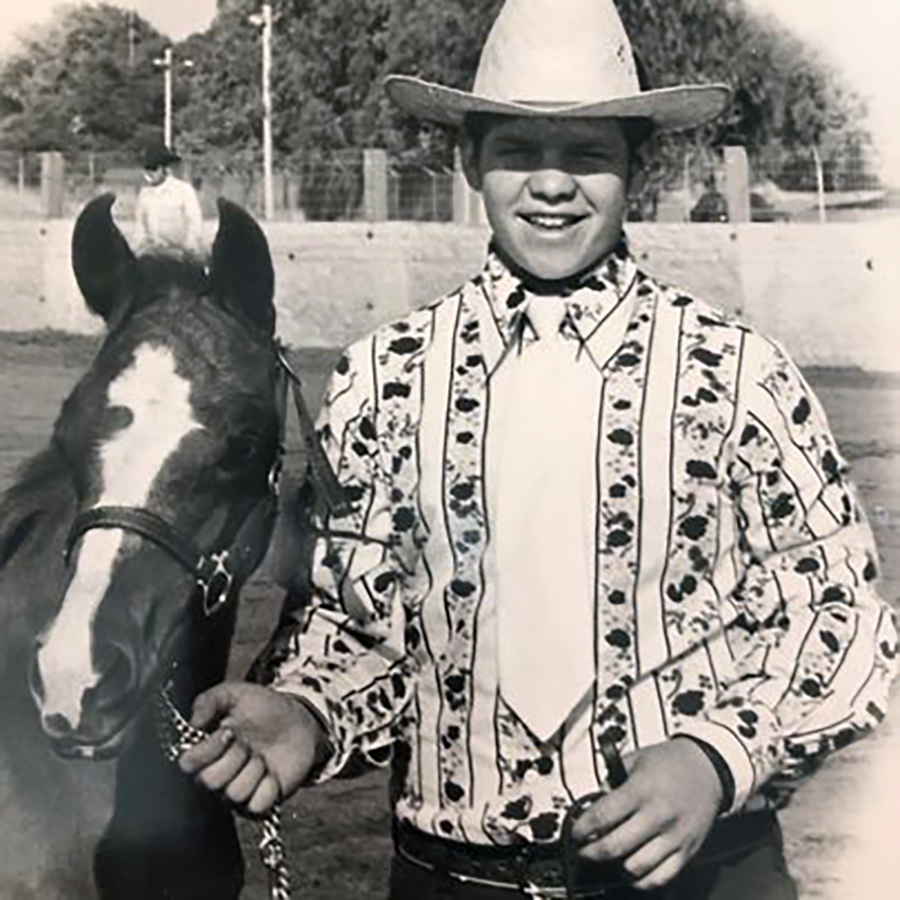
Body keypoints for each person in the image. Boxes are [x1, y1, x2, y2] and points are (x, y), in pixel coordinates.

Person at [179, 1, 898, 897]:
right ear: (468, 159)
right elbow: (361, 620)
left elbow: (836, 615)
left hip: (703, 875)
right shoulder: (385, 376)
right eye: (518, 151)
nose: (551, 184)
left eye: (589, 154)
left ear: (641, 162)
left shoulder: (739, 371)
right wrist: (309, 711)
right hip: (452, 875)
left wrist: (717, 757)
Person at [133, 143, 204, 255]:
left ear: (165, 169)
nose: (149, 173)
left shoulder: (183, 190)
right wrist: (136, 250)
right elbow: (140, 228)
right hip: (154, 253)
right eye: (147, 169)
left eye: (154, 168)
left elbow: (195, 223)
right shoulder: (144, 195)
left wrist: (187, 248)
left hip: (181, 252)